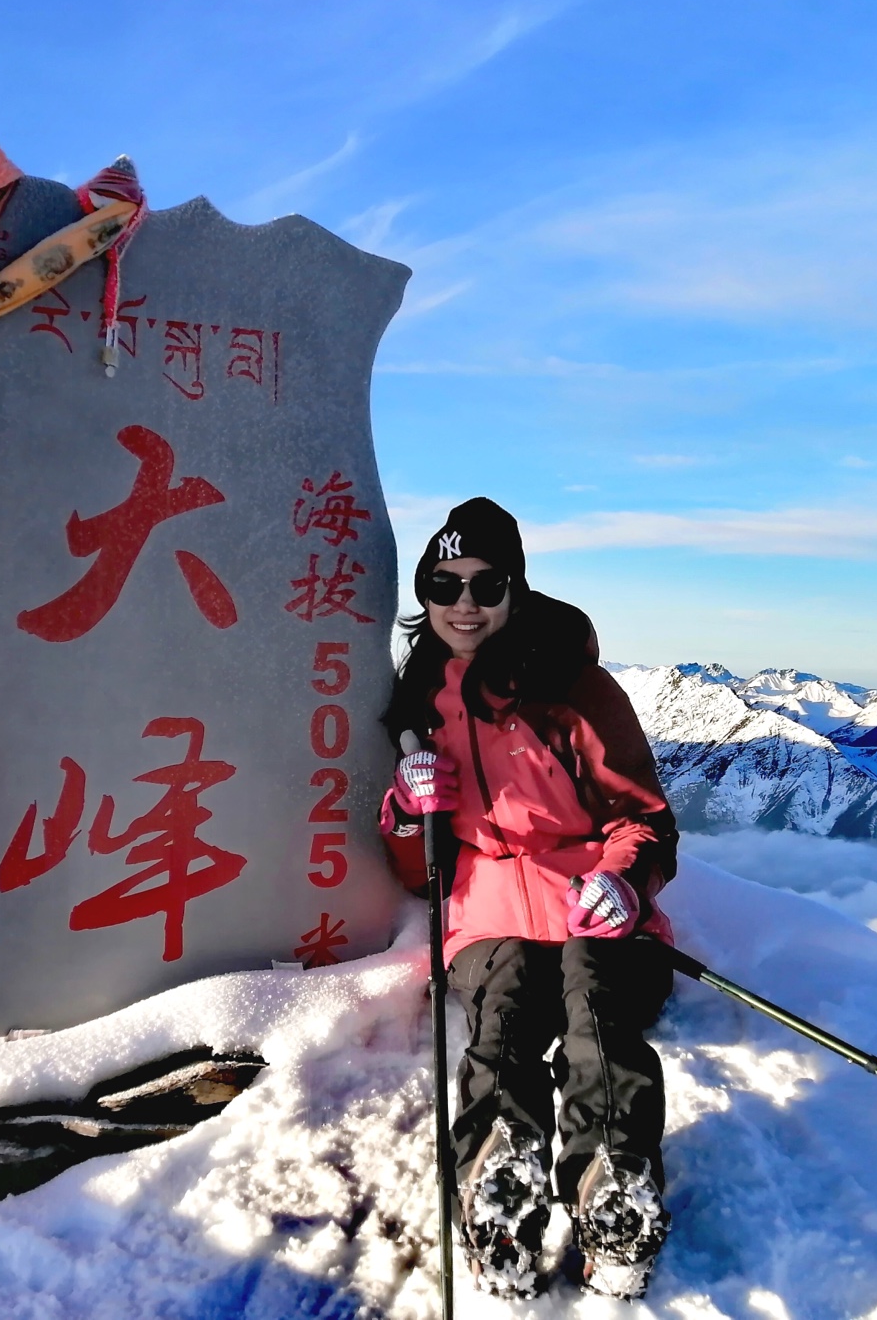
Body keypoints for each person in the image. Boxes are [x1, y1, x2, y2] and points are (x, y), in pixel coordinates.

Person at [379, 497, 680, 1299]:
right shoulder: (417, 703)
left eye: (485, 583)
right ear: (426, 592)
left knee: (596, 997)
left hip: (596, 909)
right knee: (506, 997)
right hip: (489, 921)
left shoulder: (574, 690)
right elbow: (419, 873)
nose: (465, 604)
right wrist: (408, 810)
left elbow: (646, 820)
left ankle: (613, 1187)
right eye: (444, 585)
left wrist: (623, 881)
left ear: (515, 589)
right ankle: (496, 1180)